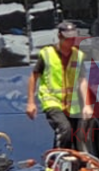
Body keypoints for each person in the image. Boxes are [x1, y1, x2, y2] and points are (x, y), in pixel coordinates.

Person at [26, 21, 93, 150]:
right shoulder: (47, 54)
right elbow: (33, 77)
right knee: (64, 129)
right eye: (68, 39)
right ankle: (60, 162)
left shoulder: (78, 56)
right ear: (59, 37)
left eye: (73, 38)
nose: (71, 41)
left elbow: (82, 80)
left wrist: (87, 104)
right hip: (51, 100)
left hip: (71, 104)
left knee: (72, 137)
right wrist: (31, 102)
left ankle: (59, 164)